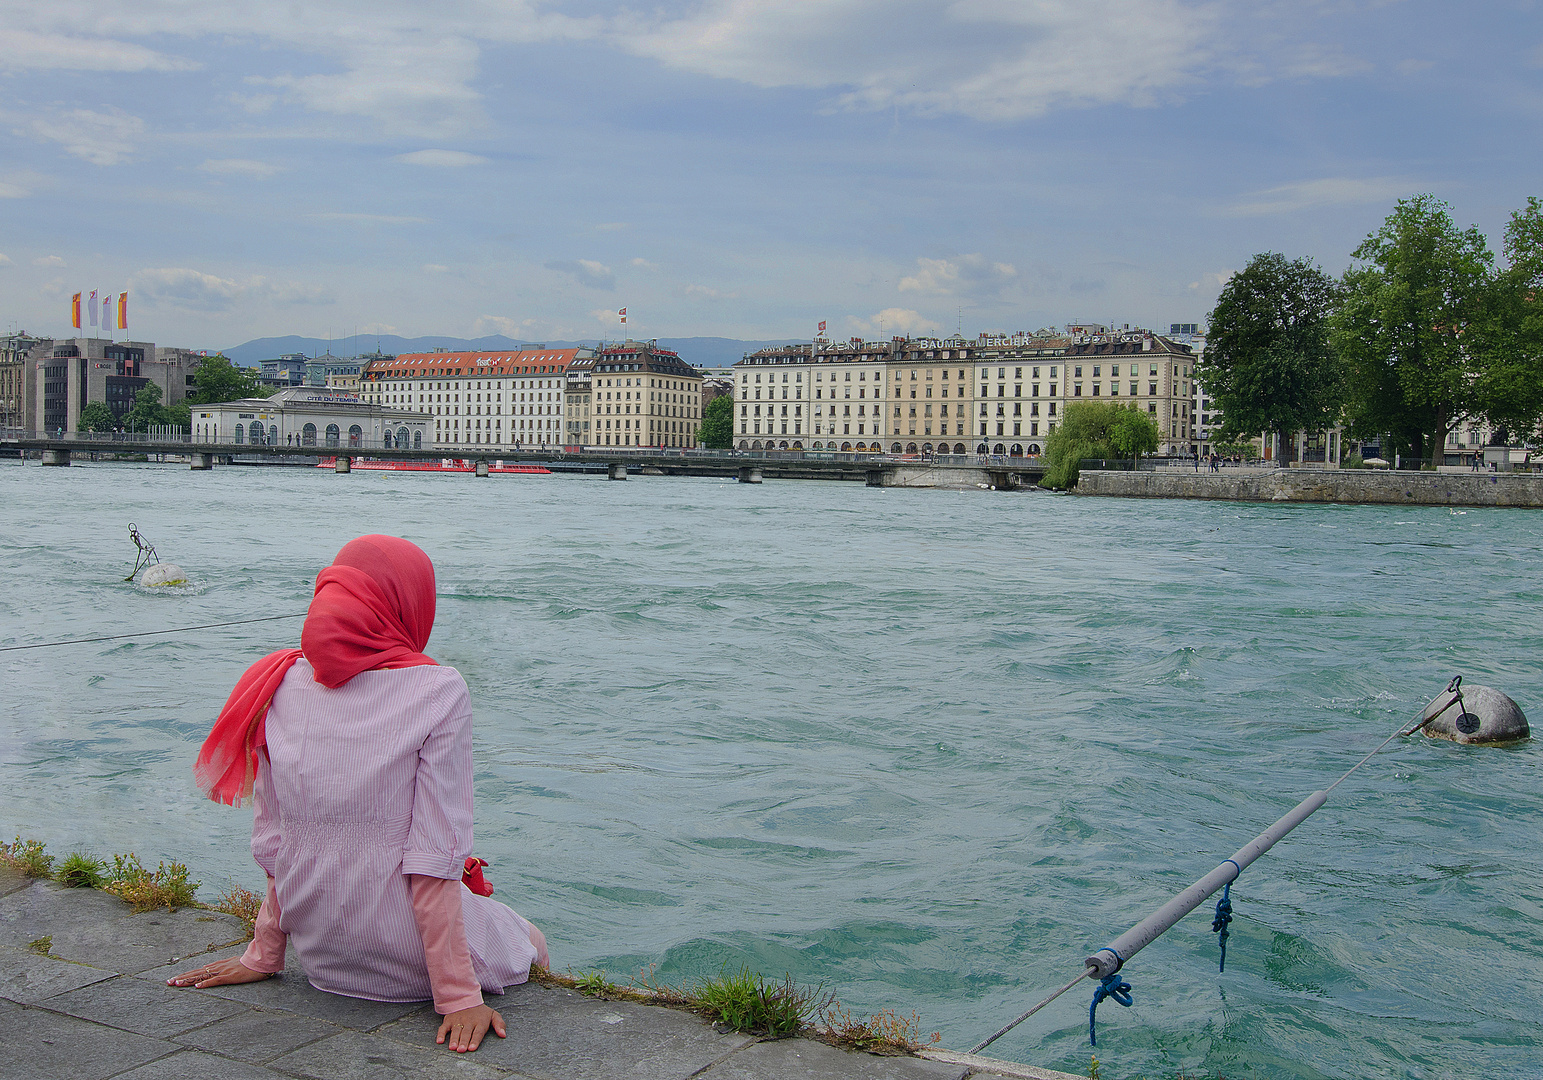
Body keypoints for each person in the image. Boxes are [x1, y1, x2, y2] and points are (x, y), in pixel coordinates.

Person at [169, 536, 548, 1054]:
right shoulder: (439, 690)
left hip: (320, 952)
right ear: (410, 603)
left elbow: (276, 841)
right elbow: (434, 857)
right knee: (529, 939)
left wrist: (262, 954)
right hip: (409, 958)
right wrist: (459, 997)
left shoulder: (278, 682)